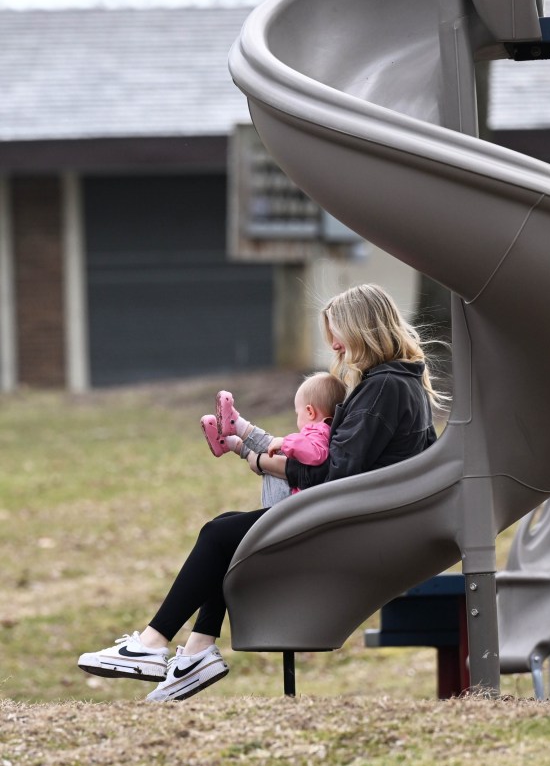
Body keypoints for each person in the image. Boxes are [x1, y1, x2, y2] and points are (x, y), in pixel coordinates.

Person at [77, 283, 441, 702]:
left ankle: (152, 645)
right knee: (227, 530)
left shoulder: (385, 386)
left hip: (347, 524)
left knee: (219, 535)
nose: (335, 347)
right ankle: (196, 652)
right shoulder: (398, 383)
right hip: (357, 517)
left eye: (338, 335)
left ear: (364, 330)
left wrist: (265, 462)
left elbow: (335, 473)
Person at [200, 371, 347, 507]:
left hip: (290, 508)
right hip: (293, 505)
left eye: (298, 413)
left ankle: (236, 426)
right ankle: (230, 442)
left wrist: (285, 442)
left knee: (275, 449)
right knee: (275, 451)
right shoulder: (323, 432)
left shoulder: (321, 430)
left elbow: (317, 454)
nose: (297, 418)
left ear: (310, 412)